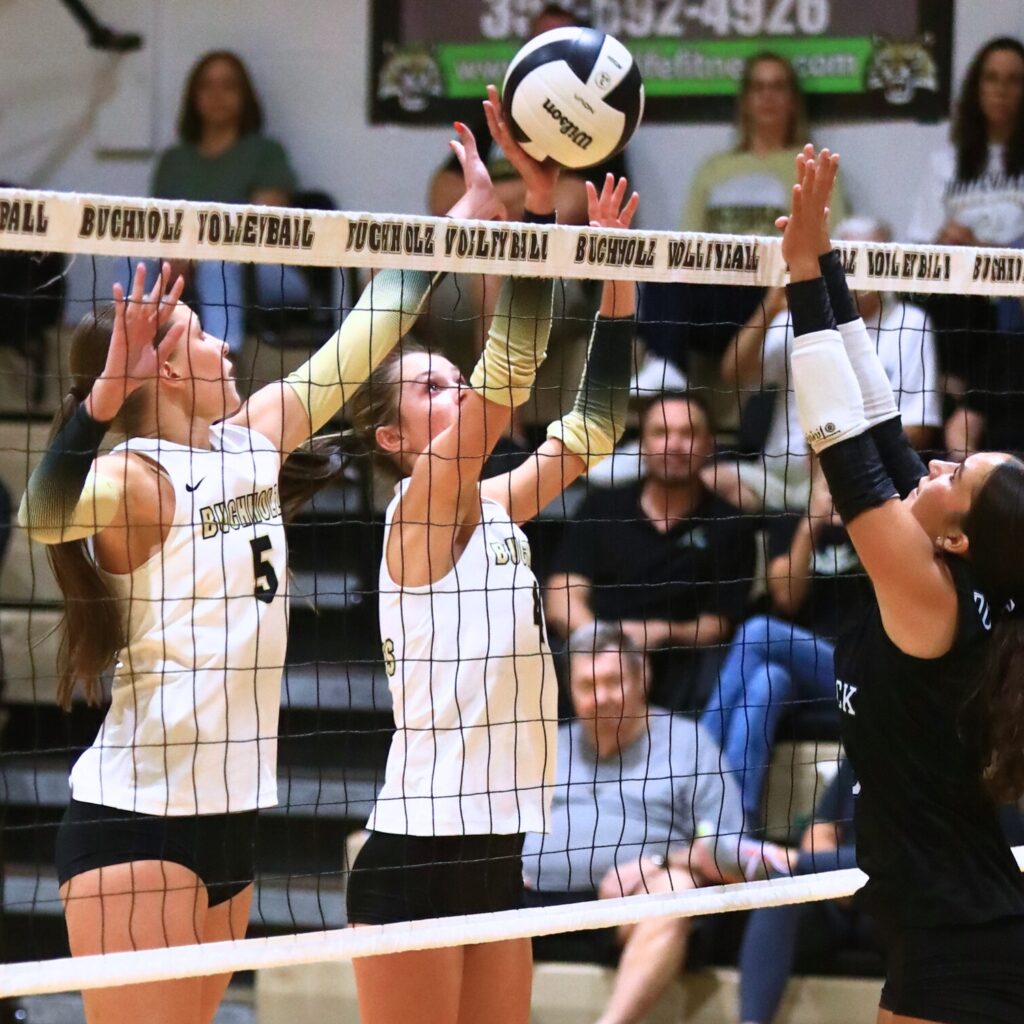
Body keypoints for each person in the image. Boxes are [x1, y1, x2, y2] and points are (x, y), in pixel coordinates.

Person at [16, 125, 501, 1024]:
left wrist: (456, 225)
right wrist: (101, 402)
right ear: (161, 367)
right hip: (139, 820)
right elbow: (42, 516)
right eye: (204, 340)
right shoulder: (136, 477)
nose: (228, 351)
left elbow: (368, 334)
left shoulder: (257, 438)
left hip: (234, 814)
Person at [344, 95, 639, 1024]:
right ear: (393, 435)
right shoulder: (421, 505)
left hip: (497, 847)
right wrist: (534, 221)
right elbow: (507, 383)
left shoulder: (493, 504)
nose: (456, 387)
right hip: (416, 853)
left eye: (450, 375)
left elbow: (593, 428)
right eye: (433, 387)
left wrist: (614, 280)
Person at [780, 144, 1024, 1023]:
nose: (937, 466)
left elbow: (842, 446)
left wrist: (802, 276)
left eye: (955, 475)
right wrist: (826, 269)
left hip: (964, 946)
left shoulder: (927, 597)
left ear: (955, 534)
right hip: (945, 934)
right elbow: (880, 412)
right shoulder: (961, 572)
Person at [522, 621, 753, 1024]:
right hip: (533, 904)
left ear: (641, 676)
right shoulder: (545, 748)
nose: (602, 697)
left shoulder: (689, 744)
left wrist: (661, 865)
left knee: (678, 890)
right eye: (587, 686)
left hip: (632, 906)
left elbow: (735, 857)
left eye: (613, 681)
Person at [642, 52, 848, 394]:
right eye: (758, 87)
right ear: (746, 100)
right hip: (717, 291)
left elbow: (831, 239)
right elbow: (687, 239)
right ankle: (668, 365)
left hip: (772, 296)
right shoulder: (715, 168)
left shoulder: (811, 165)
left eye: (778, 87)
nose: (767, 96)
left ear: (793, 100)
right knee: (663, 264)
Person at [544, 392, 756, 713]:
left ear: (710, 444)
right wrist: (606, 644)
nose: (675, 444)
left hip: (680, 661)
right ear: (642, 444)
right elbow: (561, 596)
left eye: (688, 433)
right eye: (662, 433)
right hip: (594, 651)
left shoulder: (730, 524)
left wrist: (664, 633)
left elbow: (718, 624)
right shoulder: (602, 506)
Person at [716, 215, 941, 512]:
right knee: (713, 480)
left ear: (887, 262)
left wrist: (843, 448)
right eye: (848, 259)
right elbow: (733, 374)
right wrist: (770, 306)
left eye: (869, 258)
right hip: (778, 472)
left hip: (859, 475)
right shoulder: (799, 315)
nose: (858, 272)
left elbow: (920, 426)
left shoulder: (909, 322)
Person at [907, 36, 1024, 458]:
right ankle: (962, 405)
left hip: (1012, 299)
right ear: (976, 87)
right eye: (991, 78)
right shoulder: (946, 161)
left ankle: (966, 405)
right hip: (960, 293)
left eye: (1014, 80)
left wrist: (979, 244)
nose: (1001, 89)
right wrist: (947, 243)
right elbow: (919, 245)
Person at [152, 51, 310, 357]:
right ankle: (125, 354)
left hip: (264, 273)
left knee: (218, 260)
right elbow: (159, 230)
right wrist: (178, 257)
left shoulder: (265, 151)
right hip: (181, 270)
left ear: (245, 95)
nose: (217, 95)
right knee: (131, 261)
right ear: (193, 96)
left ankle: (223, 365)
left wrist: (196, 252)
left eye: (229, 85)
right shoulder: (173, 161)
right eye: (207, 86)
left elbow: (264, 224)